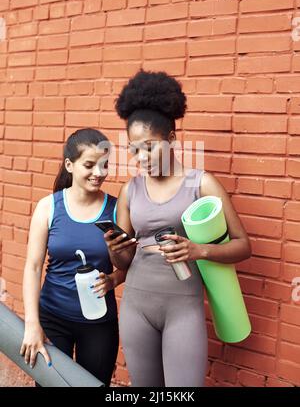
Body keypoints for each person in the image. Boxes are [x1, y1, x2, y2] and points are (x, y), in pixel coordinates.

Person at [104, 70, 252, 387]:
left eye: (149, 147)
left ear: (171, 139)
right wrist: (116, 251)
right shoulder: (130, 191)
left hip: (182, 308)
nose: (140, 157)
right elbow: (124, 264)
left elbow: (243, 245)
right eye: (133, 148)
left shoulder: (202, 184)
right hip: (136, 307)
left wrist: (200, 250)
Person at [21, 128, 126, 386]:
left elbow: (130, 262)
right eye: (89, 165)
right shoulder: (49, 207)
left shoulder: (117, 208)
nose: (99, 173)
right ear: (70, 164)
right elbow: (33, 267)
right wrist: (32, 324)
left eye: (104, 165)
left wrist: (114, 279)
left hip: (100, 322)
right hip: (53, 318)